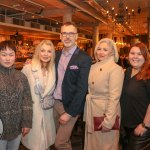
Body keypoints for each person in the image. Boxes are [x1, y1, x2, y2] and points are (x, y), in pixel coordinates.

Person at [53, 22, 92, 150]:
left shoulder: (84, 58)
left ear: (76, 36)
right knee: (59, 139)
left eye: (71, 33)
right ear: (60, 35)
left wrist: (69, 113)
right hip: (54, 103)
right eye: (64, 33)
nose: (67, 37)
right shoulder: (56, 55)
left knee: (60, 143)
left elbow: (82, 89)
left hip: (70, 106)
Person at [84, 38, 124, 150]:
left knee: (106, 145)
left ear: (112, 52)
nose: (101, 52)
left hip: (105, 113)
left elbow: (114, 98)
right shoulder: (93, 66)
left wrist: (109, 121)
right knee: (93, 145)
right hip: (92, 110)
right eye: (99, 49)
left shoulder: (116, 69)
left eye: (105, 50)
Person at [21, 40, 56, 150]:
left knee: (45, 143)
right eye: (43, 51)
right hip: (32, 111)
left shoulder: (54, 69)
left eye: (49, 51)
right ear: (38, 52)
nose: (46, 54)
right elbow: (20, 91)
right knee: (34, 144)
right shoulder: (28, 68)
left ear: (52, 54)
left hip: (48, 111)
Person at [0, 40, 33, 150]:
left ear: (15, 56)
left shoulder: (21, 76)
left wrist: (27, 122)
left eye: (11, 55)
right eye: (4, 55)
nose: (8, 58)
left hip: (17, 125)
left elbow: (27, 100)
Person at [120, 42, 150, 150]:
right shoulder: (126, 72)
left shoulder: (148, 74)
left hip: (141, 127)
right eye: (132, 53)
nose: (135, 56)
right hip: (124, 126)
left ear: (145, 56)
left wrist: (145, 125)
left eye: (139, 54)